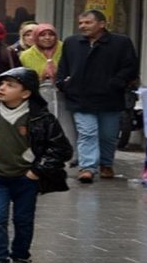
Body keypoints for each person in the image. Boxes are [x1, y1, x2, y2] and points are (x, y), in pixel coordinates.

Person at [0, 67, 72, 263]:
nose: (2, 89)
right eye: (1, 84)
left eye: (11, 85)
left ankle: (21, 257)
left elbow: (60, 148)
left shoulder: (41, 119)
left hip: (26, 179)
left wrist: (36, 171)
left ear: (26, 93)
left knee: (23, 219)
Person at [56, 10, 139, 182]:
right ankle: (87, 167)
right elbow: (63, 66)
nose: (83, 26)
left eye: (88, 23)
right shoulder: (72, 43)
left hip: (110, 97)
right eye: (81, 23)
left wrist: (116, 82)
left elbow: (130, 67)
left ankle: (106, 163)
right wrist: (63, 84)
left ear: (102, 24)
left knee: (108, 135)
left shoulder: (121, 43)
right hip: (80, 97)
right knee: (87, 132)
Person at [18, 23, 74, 151]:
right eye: (42, 35)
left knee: (66, 125)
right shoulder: (26, 55)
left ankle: (69, 156)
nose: (47, 38)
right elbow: (26, 77)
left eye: (51, 34)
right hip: (39, 94)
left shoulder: (65, 49)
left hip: (64, 93)